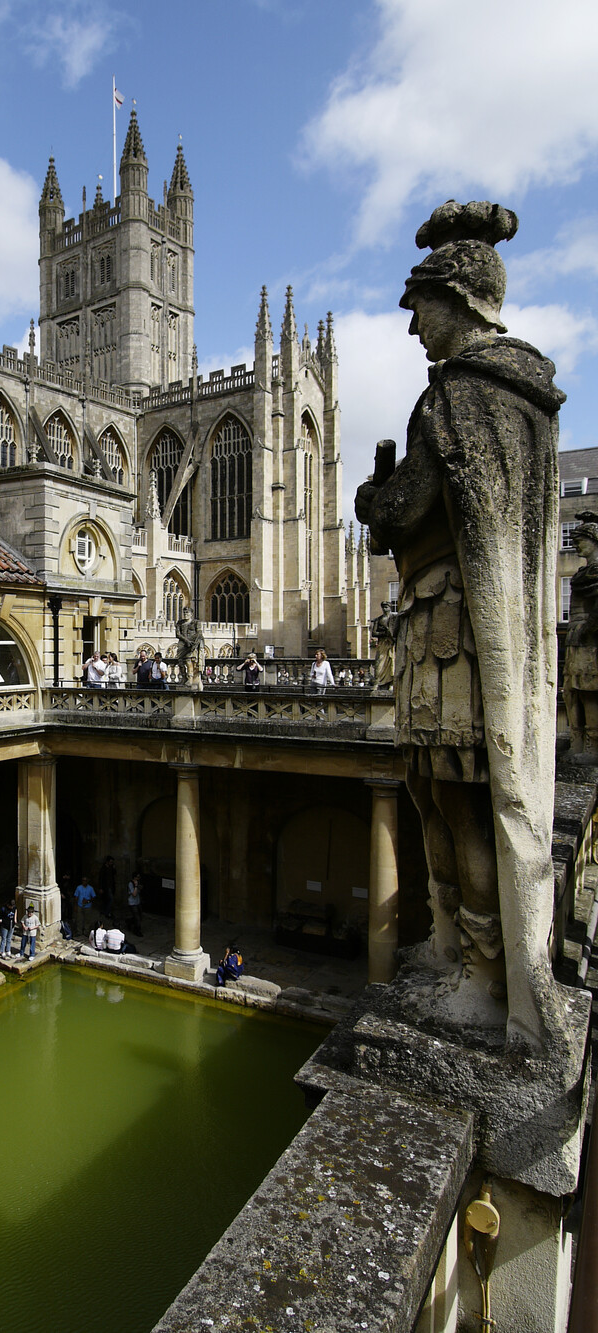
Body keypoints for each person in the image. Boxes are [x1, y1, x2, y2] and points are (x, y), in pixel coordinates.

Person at [355, 199, 565, 1052]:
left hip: (456, 636)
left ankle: (481, 976)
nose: (415, 331)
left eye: (423, 312)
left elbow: (407, 507)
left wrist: (375, 493)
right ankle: (458, 953)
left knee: (461, 801)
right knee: (442, 796)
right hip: (459, 630)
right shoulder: (524, 397)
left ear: (461, 300)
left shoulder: (463, 397)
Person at [562, 519, 598, 765]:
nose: (575, 547)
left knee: (589, 692)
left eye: (579, 541)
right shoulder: (584, 572)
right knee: (571, 692)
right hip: (576, 638)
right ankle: (576, 743)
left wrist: (587, 629)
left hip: (589, 640)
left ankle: (592, 747)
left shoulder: (595, 572)